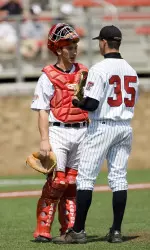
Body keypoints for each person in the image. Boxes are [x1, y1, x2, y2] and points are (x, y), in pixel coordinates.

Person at [53, 25, 139, 244]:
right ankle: (116, 231)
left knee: (85, 179)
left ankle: (78, 231)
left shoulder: (99, 69)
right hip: (124, 126)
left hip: (102, 126)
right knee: (119, 179)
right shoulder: (131, 70)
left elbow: (91, 104)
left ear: (103, 43)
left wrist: (76, 101)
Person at [31, 23, 89, 243]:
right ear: (57, 49)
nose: (73, 51)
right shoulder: (47, 75)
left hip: (82, 131)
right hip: (59, 132)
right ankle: (43, 230)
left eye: (75, 46)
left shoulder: (84, 72)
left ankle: (70, 230)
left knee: (73, 184)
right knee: (57, 182)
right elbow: (42, 110)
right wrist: (44, 140)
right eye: (68, 47)